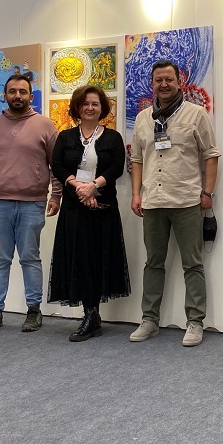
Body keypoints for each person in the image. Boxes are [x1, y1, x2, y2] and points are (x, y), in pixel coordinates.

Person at [129, 60, 219, 347]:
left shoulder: (196, 113)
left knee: (192, 263)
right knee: (153, 263)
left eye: (169, 79)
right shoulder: (143, 118)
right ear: (152, 84)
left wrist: (208, 193)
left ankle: (195, 321)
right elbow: (137, 159)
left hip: (186, 200)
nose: (164, 84)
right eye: (159, 80)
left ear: (179, 82)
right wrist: (136, 194)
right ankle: (149, 320)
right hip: (152, 201)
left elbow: (211, 154)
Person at [0, 74, 61, 333]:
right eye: (12, 91)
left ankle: (34, 310)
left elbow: (56, 165)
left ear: (30, 95)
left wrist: (56, 196)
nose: (17, 96)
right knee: (0, 259)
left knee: (30, 258)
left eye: (22, 91)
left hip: (32, 204)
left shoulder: (45, 125)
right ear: (4, 95)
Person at [49, 85, 130, 341]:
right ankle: (90, 315)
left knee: (98, 260)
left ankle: (93, 315)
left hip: (104, 209)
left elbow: (117, 167)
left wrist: (94, 186)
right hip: (74, 209)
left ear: (102, 108)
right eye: (85, 103)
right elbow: (57, 165)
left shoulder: (113, 137)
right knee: (80, 260)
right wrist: (78, 187)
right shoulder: (65, 137)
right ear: (77, 107)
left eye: (95, 104)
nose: (90, 108)